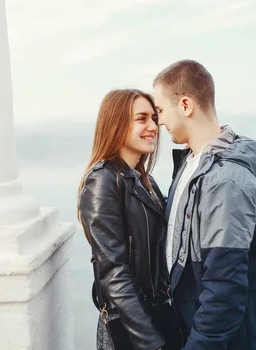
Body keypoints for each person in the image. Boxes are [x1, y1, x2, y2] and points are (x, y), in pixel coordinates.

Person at [152, 60, 256, 350]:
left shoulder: (225, 182)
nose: (158, 121)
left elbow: (224, 291)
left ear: (185, 105)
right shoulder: (190, 164)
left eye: (160, 111)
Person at [78, 89, 182, 350]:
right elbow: (113, 271)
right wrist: (149, 341)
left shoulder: (144, 180)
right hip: (130, 328)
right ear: (117, 124)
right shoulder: (102, 180)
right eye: (141, 119)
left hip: (158, 314)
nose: (153, 126)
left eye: (154, 117)